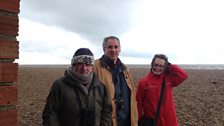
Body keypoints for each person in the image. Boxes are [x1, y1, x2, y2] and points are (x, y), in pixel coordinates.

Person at [42, 48, 112, 126]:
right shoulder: (60, 85)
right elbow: (50, 114)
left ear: (92, 66)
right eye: (80, 64)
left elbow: (107, 112)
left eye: (88, 64)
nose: (84, 68)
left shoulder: (100, 87)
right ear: (74, 64)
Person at [93, 36, 138, 126]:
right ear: (104, 49)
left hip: (126, 121)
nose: (113, 50)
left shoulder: (125, 69)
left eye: (116, 47)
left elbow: (132, 98)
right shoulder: (95, 67)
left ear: (120, 49)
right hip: (107, 121)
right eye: (110, 47)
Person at [136, 54, 188, 126]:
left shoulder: (169, 80)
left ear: (165, 67)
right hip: (152, 122)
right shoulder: (143, 83)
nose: (157, 68)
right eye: (156, 65)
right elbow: (138, 104)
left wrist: (169, 66)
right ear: (152, 65)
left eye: (161, 66)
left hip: (170, 122)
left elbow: (183, 75)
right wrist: (137, 120)